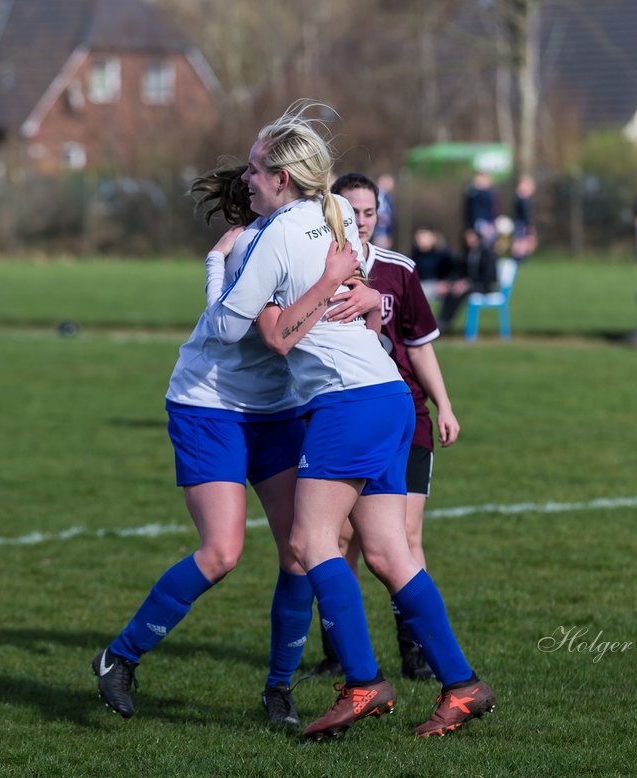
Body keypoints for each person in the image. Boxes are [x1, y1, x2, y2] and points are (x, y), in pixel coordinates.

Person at [188, 104, 492, 740]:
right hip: (388, 393)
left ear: (283, 179)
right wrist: (333, 290)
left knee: (308, 544)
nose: (244, 179)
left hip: (348, 402)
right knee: (387, 551)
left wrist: (218, 266)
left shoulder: (272, 238)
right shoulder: (338, 223)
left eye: (253, 170)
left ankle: (363, 683)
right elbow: (356, 306)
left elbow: (233, 330)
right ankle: (462, 686)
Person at [90, 160, 377, 729]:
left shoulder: (305, 232)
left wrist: (371, 296)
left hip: (275, 409)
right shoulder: (252, 246)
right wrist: (217, 265)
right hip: (209, 406)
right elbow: (240, 325)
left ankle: (278, 691)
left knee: (300, 550)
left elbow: (359, 274)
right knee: (222, 553)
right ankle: (118, 658)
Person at [313, 172, 461, 682]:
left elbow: (418, 344)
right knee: (340, 538)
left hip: (404, 415)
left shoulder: (398, 270)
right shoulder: (318, 266)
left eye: (369, 212)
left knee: (404, 535)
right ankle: (340, 652)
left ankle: (415, 653)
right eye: (350, 211)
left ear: (381, 215)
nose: (360, 221)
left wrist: (443, 404)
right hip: (346, 412)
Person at [436, 228, 496, 333]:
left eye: (471, 237)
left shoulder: (487, 253)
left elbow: (488, 276)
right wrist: (449, 283)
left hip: (485, 285)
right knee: (452, 291)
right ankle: (441, 322)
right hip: (469, 284)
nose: (469, 239)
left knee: (459, 292)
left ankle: (443, 324)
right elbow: (458, 272)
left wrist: (468, 283)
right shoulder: (465, 253)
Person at [463, 171, 498, 245]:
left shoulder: (491, 193)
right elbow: (469, 211)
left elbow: (494, 210)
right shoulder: (472, 193)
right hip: (477, 223)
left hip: (489, 223)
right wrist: (470, 227)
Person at [511, 174, 538, 261]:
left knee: (523, 252)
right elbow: (527, 217)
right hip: (521, 228)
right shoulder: (521, 200)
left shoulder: (524, 200)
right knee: (519, 252)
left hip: (522, 228)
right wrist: (530, 232)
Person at [372, 173, 395, 248]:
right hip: (381, 227)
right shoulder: (378, 194)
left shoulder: (386, 195)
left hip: (384, 227)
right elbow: (381, 212)